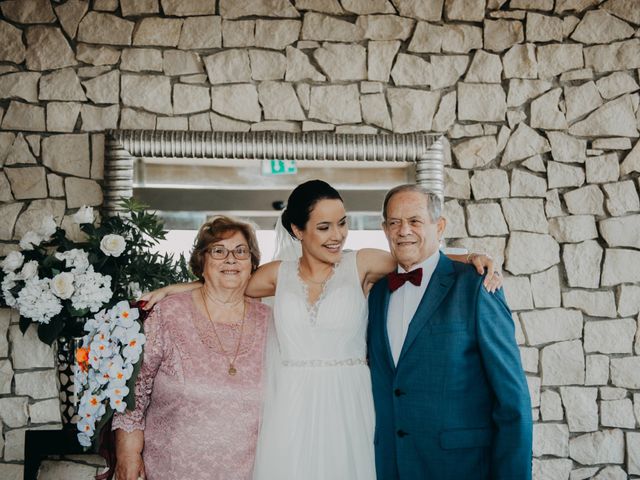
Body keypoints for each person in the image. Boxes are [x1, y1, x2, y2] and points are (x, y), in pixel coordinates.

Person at [141, 180, 501, 480]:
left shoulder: (361, 263)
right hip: (290, 405)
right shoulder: (277, 274)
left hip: (350, 402)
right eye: (324, 227)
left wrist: (469, 258)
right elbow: (227, 282)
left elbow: (418, 259)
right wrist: (177, 289)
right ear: (298, 230)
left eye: (342, 223)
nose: (338, 236)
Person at [367, 184, 532, 480]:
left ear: (439, 226)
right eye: (394, 222)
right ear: (385, 229)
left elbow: (513, 401)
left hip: (460, 467)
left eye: (415, 221)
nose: (404, 230)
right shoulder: (377, 293)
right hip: (392, 467)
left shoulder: (476, 286)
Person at [112, 216, 271, 480]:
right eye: (218, 251)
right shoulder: (168, 314)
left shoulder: (271, 322)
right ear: (202, 261)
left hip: (250, 471)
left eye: (240, 251)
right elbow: (134, 393)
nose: (230, 259)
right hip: (171, 469)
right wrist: (127, 454)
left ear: (253, 262)